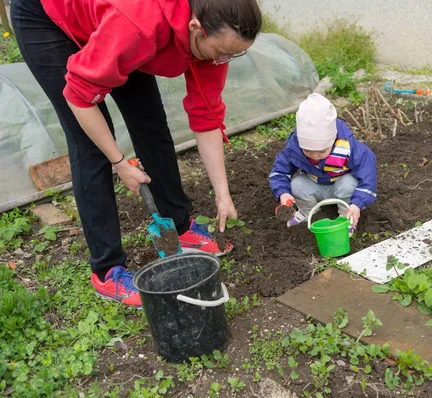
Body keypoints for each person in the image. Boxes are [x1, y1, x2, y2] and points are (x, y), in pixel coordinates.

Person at [11, 0, 262, 307]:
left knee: (150, 122)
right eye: (221, 51)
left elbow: (206, 114)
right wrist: (119, 162)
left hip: (117, 24)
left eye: (235, 53)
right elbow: (79, 97)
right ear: (195, 27)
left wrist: (223, 195)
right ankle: (106, 270)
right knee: (90, 145)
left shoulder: (213, 31)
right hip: (49, 16)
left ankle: (179, 227)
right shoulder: (138, 26)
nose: (225, 59)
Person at [269, 93, 377, 237]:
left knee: (349, 183)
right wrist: (283, 192)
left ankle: (347, 215)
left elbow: (367, 174)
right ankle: (308, 212)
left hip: (341, 186)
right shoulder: (294, 149)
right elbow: (279, 171)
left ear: (332, 140)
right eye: (308, 151)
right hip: (316, 185)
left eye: (321, 151)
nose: (315, 156)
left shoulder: (347, 147)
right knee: (296, 185)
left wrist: (358, 203)